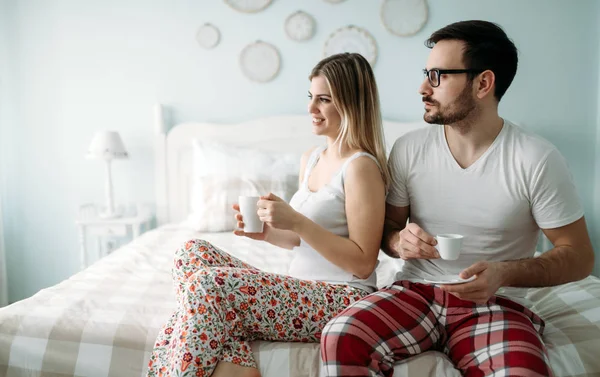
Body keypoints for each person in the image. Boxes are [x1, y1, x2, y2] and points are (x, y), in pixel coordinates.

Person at [320, 20, 595, 377]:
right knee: (339, 336)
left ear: (483, 83)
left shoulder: (536, 158)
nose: (422, 87)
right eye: (426, 74)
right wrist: (398, 241)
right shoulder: (409, 149)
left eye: (438, 76)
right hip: (415, 292)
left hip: (496, 304)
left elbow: (580, 256)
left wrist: (504, 272)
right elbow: (388, 232)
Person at [146, 52, 390, 377]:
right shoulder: (313, 158)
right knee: (191, 254)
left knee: (209, 284)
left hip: (342, 296)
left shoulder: (361, 167)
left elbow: (363, 263)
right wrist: (268, 233)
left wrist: (298, 220)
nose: (310, 108)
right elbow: (302, 240)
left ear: (350, 104)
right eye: (310, 97)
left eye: (324, 99)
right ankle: (239, 364)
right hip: (300, 288)